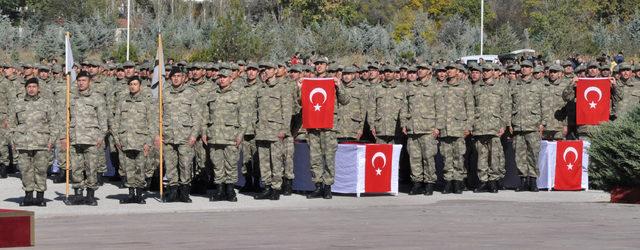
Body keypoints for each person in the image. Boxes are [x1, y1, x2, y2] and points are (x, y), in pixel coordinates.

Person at [303, 58, 350, 199]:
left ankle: (328, 186)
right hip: (313, 125)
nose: (318, 66)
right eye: (316, 64)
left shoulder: (332, 81)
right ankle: (317, 186)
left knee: (329, 157)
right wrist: (300, 88)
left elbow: (345, 100)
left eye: (321, 64)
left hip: (329, 124)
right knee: (314, 157)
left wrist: (339, 85)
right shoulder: (309, 82)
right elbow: (301, 101)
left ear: (326, 66)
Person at [9, 78, 56, 206]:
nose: (31, 89)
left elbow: (54, 124)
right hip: (23, 143)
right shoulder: (17, 104)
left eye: (34, 86)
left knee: (41, 170)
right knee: (25, 170)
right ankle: (28, 196)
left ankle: (40, 197)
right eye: (29, 87)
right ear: (25, 88)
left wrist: (52, 140)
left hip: (42, 143)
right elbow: (11, 125)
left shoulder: (46, 103)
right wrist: (12, 140)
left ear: (38, 88)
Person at [157, 67, 201, 203]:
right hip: (168, 136)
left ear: (184, 78)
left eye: (178, 76)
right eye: (173, 76)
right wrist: (158, 134)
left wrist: (194, 135)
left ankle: (184, 193)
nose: (176, 78)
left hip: (185, 137)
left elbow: (197, 116)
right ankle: (173, 192)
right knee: (170, 166)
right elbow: (157, 115)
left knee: (185, 165)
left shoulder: (191, 93)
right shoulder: (164, 93)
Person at [65, 71, 108, 206]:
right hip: (75, 138)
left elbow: (103, 120)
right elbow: (65, 118)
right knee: (76, 169)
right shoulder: (71, 98)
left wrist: (101, 136)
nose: (81, 83)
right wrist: (64, 137)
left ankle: (90, 196)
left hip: (91, 139)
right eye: (79, 81)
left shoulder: (97, 98)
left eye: (84, 80)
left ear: (89, 82)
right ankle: (78, 195)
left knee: (91, 168)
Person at [113, 77, 156, 204]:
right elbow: (116, 123)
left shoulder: (146, 102)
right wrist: (117, 139)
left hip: (141, 141)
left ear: (140, 86)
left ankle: (139, 195)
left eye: (135, 84)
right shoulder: (122, 102)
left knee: (140, 169)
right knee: (128, 169)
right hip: (125, 141)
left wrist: (148, 142)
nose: (132, 86)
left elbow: (152, 124)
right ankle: (131, 194)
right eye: (130, 84)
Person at [254, 62, 292, 200]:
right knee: (263, 161)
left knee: (276, 160)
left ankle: (276, 188)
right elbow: (256, 110)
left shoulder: (282, 88)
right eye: (264, 69)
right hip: (262, 131)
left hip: (276, 130)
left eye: (269, 69)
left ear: (275, 71)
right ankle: (267, 187)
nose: (267, 71)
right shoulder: (261, 88)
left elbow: (287, 111)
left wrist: (284, 129)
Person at [203, 69, 243, 202]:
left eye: (225, 77)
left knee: (231, 164)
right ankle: (219, 190)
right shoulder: (211, 95)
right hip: (214, 135)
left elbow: (243, 117)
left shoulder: (238, 95)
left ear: (231, 79)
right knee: (217, 164)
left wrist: (240, 134)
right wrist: (204, 132)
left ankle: (230, 191)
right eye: (220, 77)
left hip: (230, 136)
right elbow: (205, 115)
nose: (222, 79)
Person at [435, 64, 475, 194]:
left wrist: (469, 126)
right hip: (444, 127)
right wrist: (437, 126)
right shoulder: (440, 88)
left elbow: (470, 108)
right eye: (447, 69)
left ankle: (458, 182)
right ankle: (448, 182)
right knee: (446, 157)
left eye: (451, 69)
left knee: (458, 156)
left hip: (459, 127)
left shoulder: (464, 87)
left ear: (457, 72)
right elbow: (436, 109)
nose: (448, 71)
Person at [472, 63, 510, 193]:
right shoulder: (476, 88)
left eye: (488, 70)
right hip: (480, 126)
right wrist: (471, 124)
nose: (486, 72)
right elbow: (471, 108)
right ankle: (483, 181)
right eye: (484, 70)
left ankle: (493, 181)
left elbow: (505, 108)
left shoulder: (501, 88)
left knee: (494, 156)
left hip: (495, 126)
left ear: (493, 71)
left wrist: (503, 125)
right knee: (481, 156)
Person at [402, 66, 439, 195]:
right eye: (419, 69)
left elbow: (440, 109)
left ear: (428, 71)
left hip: (428, 128)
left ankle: (429, 183)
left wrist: (438, 127)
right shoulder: (410, 87)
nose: (420, 71)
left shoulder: (434, 87)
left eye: (423, 69)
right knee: (414, 157)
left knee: (428, 157)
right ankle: (416, 183)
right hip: (413, 128)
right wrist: (404, 123)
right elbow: (404, 106)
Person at [509, 61, 544, 192]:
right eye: (523, 67)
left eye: (527, 67)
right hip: (518, 125)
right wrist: (509, 123)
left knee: (533, 154)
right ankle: (523, 180)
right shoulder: (514, 84)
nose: (524, 69)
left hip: (533, 125)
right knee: (519, 154)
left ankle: (533, 180)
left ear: (532, 69)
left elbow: (544, 105)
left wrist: (543, 123)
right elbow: (509, 104)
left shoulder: (538, 85)